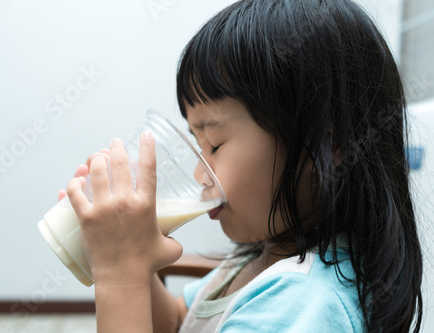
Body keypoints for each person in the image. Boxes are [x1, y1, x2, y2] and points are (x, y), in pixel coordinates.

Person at [61, 0, 424, 331]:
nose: (199, 174)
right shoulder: (258, 259)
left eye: (215, 144)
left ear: (326, 147)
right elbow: (175, 323)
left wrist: (119, 273)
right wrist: (126, 251)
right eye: (196, 145)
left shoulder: (301, 303)